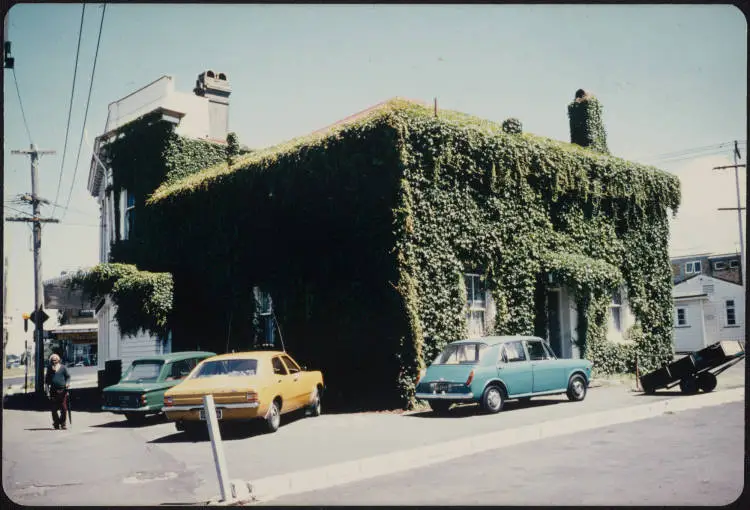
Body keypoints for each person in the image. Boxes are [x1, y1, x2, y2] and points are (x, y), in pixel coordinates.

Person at [44, 353, 71, 430]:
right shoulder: (49, 369)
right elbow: (46, 381)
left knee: (64, 408)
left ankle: (63, 423)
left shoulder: (63, 368)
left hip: (62, 391)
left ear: (58, 360)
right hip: (53, 391)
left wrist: (67, 384)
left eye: (55, 360)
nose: (54, 361)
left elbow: (68, 377)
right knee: (54, 409)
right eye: (52, 360)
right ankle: (56, 423)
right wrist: (47, 391)